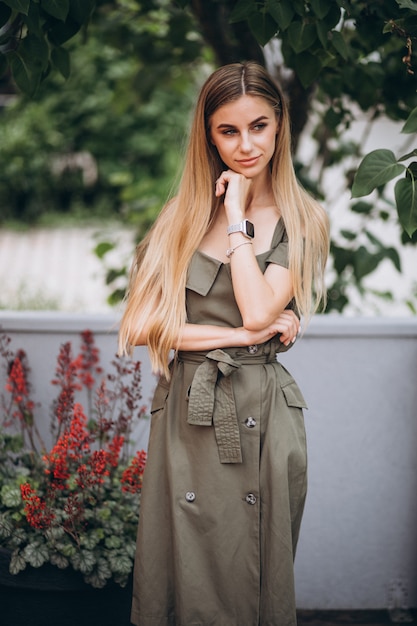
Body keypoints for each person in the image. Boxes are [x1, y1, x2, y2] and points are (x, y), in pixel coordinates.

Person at [119, 61, 329, 626]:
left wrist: (236, 215)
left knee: (251, 569)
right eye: (228, 131)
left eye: (258, 126)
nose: (245, 145)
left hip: (262, 409)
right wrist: (240, 334)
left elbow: (263, 307)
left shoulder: (302, 220)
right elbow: (140, 326)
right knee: (181, 562)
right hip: (189, 408)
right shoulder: (179, 218)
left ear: (279, 125)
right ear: (208, 135)